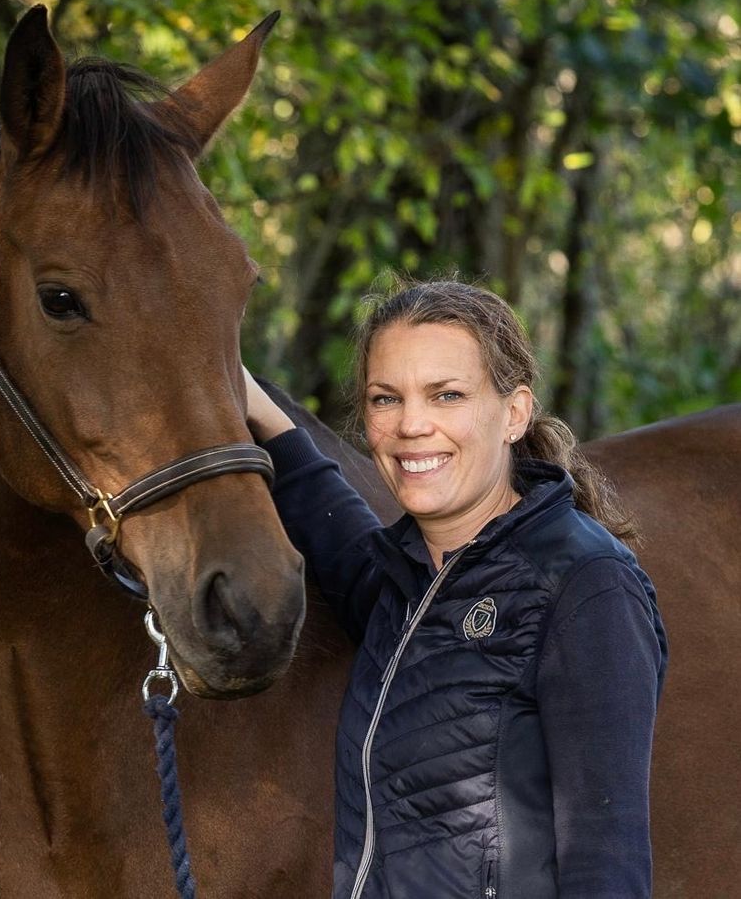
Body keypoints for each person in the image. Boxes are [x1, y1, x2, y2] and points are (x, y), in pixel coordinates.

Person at [244, 278, 667, 899]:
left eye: (447, 395)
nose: (412, 424)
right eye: (386, 399)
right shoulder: (407, 586)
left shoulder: (585, 586)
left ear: (514, 414)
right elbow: (328, 517)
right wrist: (249, 400)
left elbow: (609, 857)